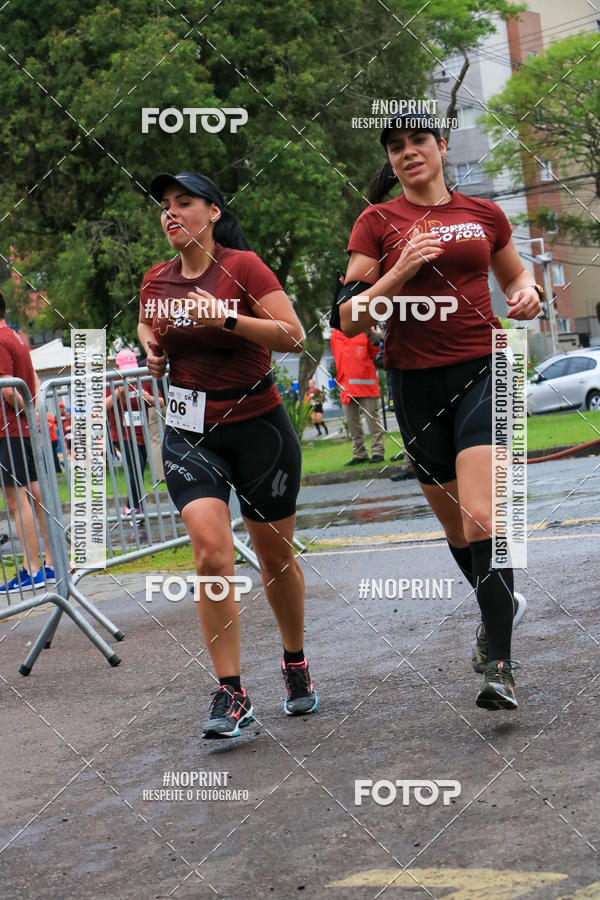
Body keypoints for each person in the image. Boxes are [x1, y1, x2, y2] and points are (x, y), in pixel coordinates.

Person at [339, 114, 541, 710]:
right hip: (414, 384)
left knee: (483, 519)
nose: (407, 153)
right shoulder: (376, 222)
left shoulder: (483, 214)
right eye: (395, 147)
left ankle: (499, 665)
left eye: (418, 141)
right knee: (457, 530)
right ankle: (496, 609)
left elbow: (516, 276)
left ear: (442, 146)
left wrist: (526, 293)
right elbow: (350, 316)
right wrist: (399, 270)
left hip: (485, 370)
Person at [138, 171, 318, 738]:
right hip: (190, 432)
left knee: (275, 558)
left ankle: (294, 661)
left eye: (183, 203)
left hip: (259, 430)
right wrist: (151, 348)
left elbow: (294, 336)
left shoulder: (243, 268)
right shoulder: (156, 279)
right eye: (164, 206)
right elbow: (148, 322)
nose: (170, 213)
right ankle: (232, 692)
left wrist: (228, 319)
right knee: (212, 554)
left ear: (212, 212)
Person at [0, 291, 55, 592]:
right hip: (19, 429)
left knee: (16, 499)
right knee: (34, 496)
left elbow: (8, 390)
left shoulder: (0, 339)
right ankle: (49, 563)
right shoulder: (16, 337)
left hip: (8, 429)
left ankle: (31, 568)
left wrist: (30, 414)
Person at [105, 349, 163, 517]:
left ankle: (133, 506)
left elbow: (161, 402)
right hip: (122, 434)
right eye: (125, 368)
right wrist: (119, 392)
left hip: (141, 433)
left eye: (132, 367)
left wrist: (149, 399)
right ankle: (133, 507)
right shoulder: (112, 381)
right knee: (135, 466)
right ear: (118, 367)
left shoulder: (143, 378)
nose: (130, 373)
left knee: (140, 467)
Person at [330, 326, 385, 464]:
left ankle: (378, 453)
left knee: (373, 421)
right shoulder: (335, 334)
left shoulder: (366, 329)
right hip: (346, 387)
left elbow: (376, 354)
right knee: (353, 423)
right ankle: (360, 454)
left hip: (366, 384)